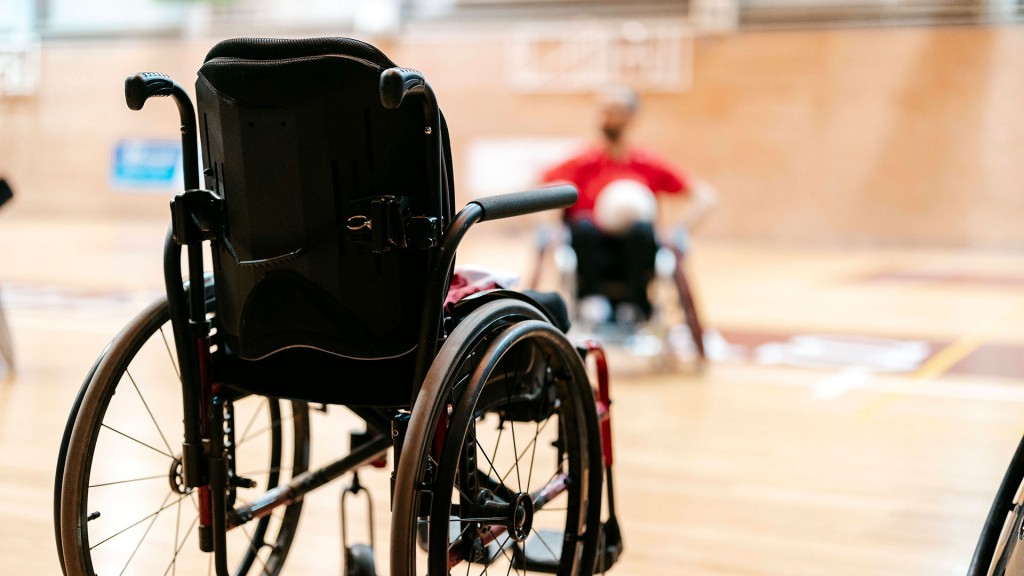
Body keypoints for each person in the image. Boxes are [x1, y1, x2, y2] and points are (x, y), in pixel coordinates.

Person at [541, 85, 717, 325]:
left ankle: (633, 305)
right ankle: (592, 301)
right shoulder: (583, 160)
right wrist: (549, 226)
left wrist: (679, 231)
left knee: (642, 230)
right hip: (591, 251)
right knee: (581, 224)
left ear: (631, 117)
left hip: (634, 253)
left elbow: (705, 196)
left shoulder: (646, 162)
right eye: (603, 111)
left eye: (615, 111)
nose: (607, 117)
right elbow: (536, 186)